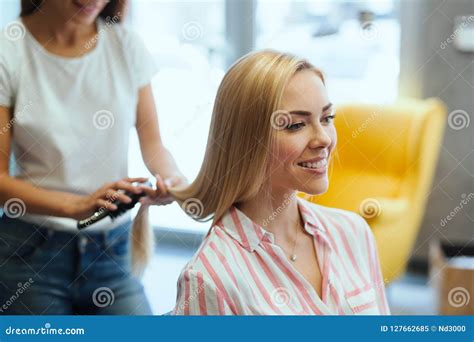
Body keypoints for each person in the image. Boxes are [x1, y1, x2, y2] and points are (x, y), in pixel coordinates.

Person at [169, 50, 390, 315]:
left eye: (326, 119)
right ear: (247, 140)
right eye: (296, 125)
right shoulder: (210, 279)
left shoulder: (353, 233)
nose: (324, 139)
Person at [0, 0, 184, 315]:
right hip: (31, 254)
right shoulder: (10, 49)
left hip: (112, 251)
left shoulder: (126, 45)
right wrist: (77, 207)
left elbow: (154, 147)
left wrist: (173, 181)